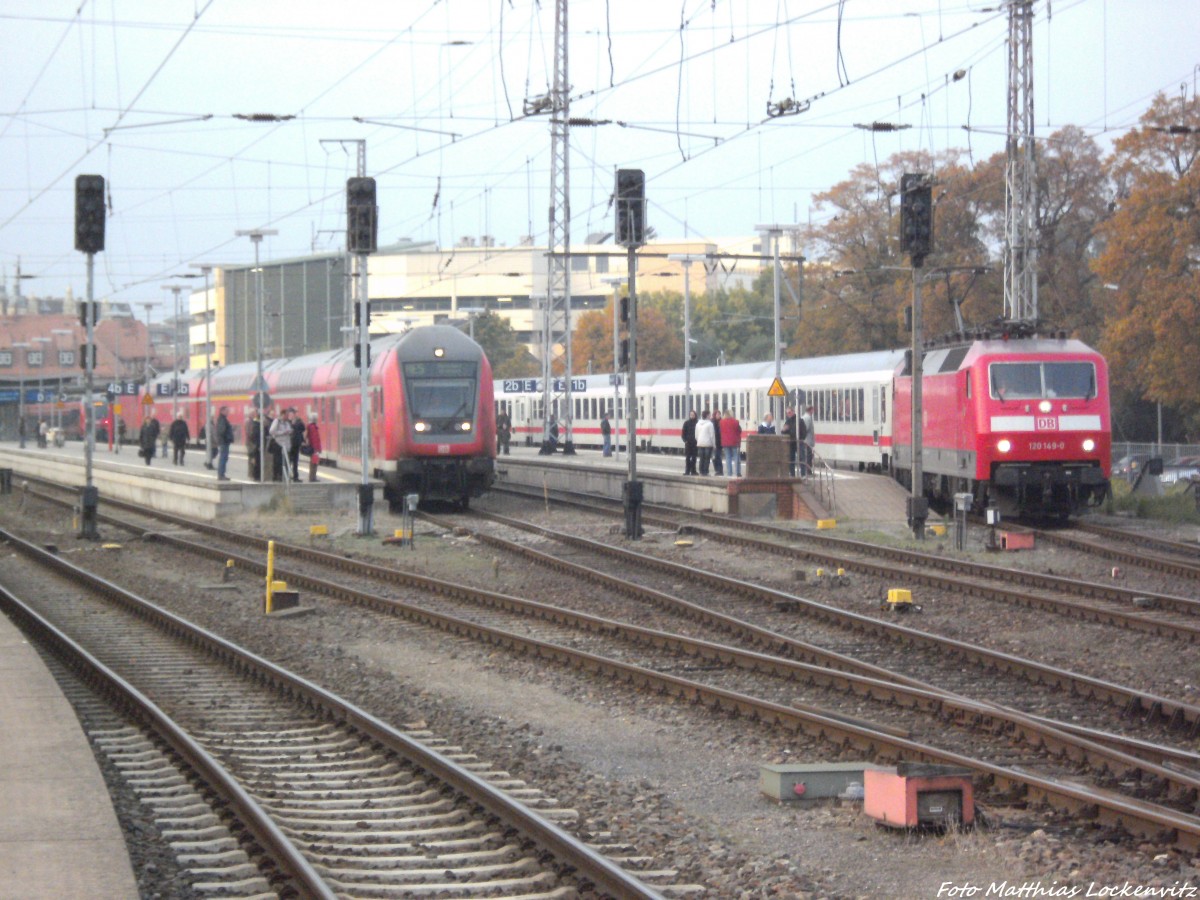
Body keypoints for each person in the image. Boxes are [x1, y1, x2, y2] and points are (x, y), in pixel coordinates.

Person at [268, 407, 290, 482]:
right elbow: (271, 431)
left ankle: (281, 475)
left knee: (283, 461)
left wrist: (289, 431)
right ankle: (276, 476)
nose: (288, 417)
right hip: (277, 444)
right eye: (286, 415)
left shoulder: (287, 423)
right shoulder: (277, 421)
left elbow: (289, 429)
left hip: (285, 445)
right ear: (282, 415)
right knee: (277, 461)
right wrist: (282, 433)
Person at [719, 409, 742, 477]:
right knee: (736, 457)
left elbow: (720, 431)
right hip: (735, 442)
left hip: (725, 442)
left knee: (728, 457)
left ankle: (729, 473)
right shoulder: (736, 422)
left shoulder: (721, 422)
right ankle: (737, 472)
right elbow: (739, 431)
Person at [215, 406, 234, 481]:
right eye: (227, 411)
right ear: (222, 411)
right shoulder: (222, 420)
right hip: (224, 441)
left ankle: (222, 474)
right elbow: (222, 430)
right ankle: (221, 475)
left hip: (224, 441)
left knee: (224, 458)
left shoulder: (222, 419)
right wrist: (228, 434)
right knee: (223, 458)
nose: (228, 412)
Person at [695, 409, 715, 475]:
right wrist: (714, 444)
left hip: (700, 443)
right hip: (708, 444)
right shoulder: (710, 424)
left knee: (701, 458)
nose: (710, 416)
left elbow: (696, 435)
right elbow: (712, 435)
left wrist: (698, 440)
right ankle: (705, 471)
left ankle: (701, 471)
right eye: (709, 415)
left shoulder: (698, 424)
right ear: (707, 416)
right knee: (707, 459)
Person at [304, 411, 322, 482]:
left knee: (314, 462)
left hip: (313, 447)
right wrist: (317, 449)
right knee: (314, 463)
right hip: (314, 448)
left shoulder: (311, 426)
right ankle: (312, 477)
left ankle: (313, 477)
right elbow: (315, 439)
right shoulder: (313, 427)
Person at [289, 408, 305, 481]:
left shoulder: (299, 422)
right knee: (289, 461)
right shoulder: (287, 422)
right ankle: (289, 475)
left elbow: (303, 429)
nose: (292, 415)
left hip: (296, 444)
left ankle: (295, 476)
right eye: (291, 414)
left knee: (295, 461)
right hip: (289, 444)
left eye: (293, 414)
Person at [247, 409, 263, 481]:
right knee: (254, 460)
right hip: (253, 444)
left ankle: (255, 475)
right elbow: (251, 434)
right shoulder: (253, 423)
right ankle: (254, 475)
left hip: (254, 444)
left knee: (255, 460)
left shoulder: (254, 422)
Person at [681, 409, 698, 475]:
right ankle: (687, 471)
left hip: (695, 443)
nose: (692, 416)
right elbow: (683, 433)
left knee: (694, 457)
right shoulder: (686, 423)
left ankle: (693, 470)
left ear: (695, 415)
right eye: (691, 415)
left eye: (693, 415)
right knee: (688, 457)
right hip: (688, 443)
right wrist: (685, 440)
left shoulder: (697, 423)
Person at [783, 405, 799, 476]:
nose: (788, 414)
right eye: (787, 413)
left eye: (789, 412)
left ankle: (802, 474)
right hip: (790, 443)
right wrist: (784, 430)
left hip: (797, 442)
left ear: (793, 412)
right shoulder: (788, 421)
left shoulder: (798, 420)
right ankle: (792, 474)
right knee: (791, 459)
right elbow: (784, 431)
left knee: (801, 458)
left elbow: (802, 431)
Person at [800, 405, 816, 477]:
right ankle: (808, 470)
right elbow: (805, 429)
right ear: (811, 410)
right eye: (813, 410)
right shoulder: (807, 418)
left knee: (808, 455)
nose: (813, 411)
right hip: (807, 441)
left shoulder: (805, 417)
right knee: (809, 456)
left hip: (807, 440)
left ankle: (808, 470)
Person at [710, 410, 723, 475]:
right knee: (714, 457)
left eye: (719, 414)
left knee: (718, 457)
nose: (718, 416)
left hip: (719, 442)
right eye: (717, 414)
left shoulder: (721, 422)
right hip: (713, 442)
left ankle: (720, 470)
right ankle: (717, 470)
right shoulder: (712, 422)